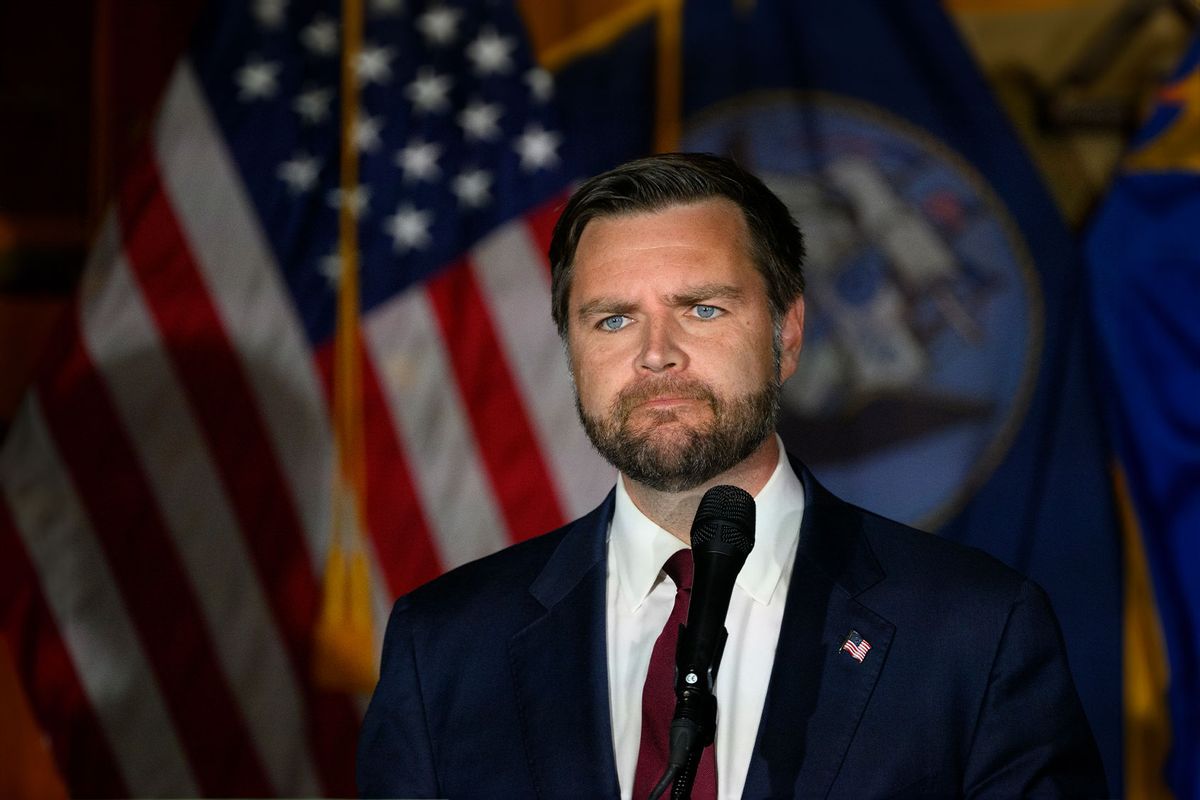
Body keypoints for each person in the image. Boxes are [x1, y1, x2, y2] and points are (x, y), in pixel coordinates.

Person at [357, 153, 1107, 799]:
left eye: (703, 309)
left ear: (787, 335)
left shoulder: (976, 633)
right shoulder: (446, 648)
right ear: (572, 351)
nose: (657, 354)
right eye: (613, 319)